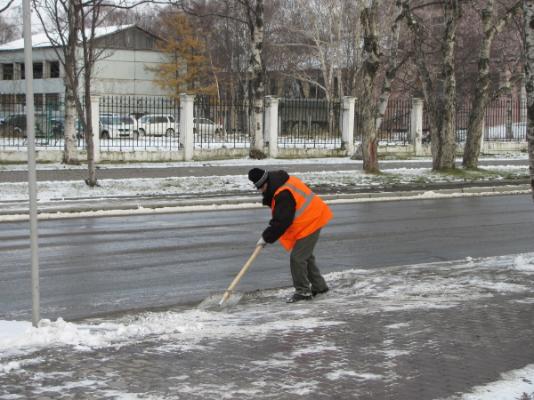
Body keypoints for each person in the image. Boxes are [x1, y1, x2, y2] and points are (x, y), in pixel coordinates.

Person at [248, 168, 333, 303]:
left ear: (266, 183)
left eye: (261, 188)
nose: (261, 191)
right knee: (306, 256)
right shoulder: (280, 184)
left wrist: (266, 237)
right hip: (309, 219)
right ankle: (320, 287)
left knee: (297, 258)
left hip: (312, 220)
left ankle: (303, 292)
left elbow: (281, 222)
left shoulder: (283, 193)